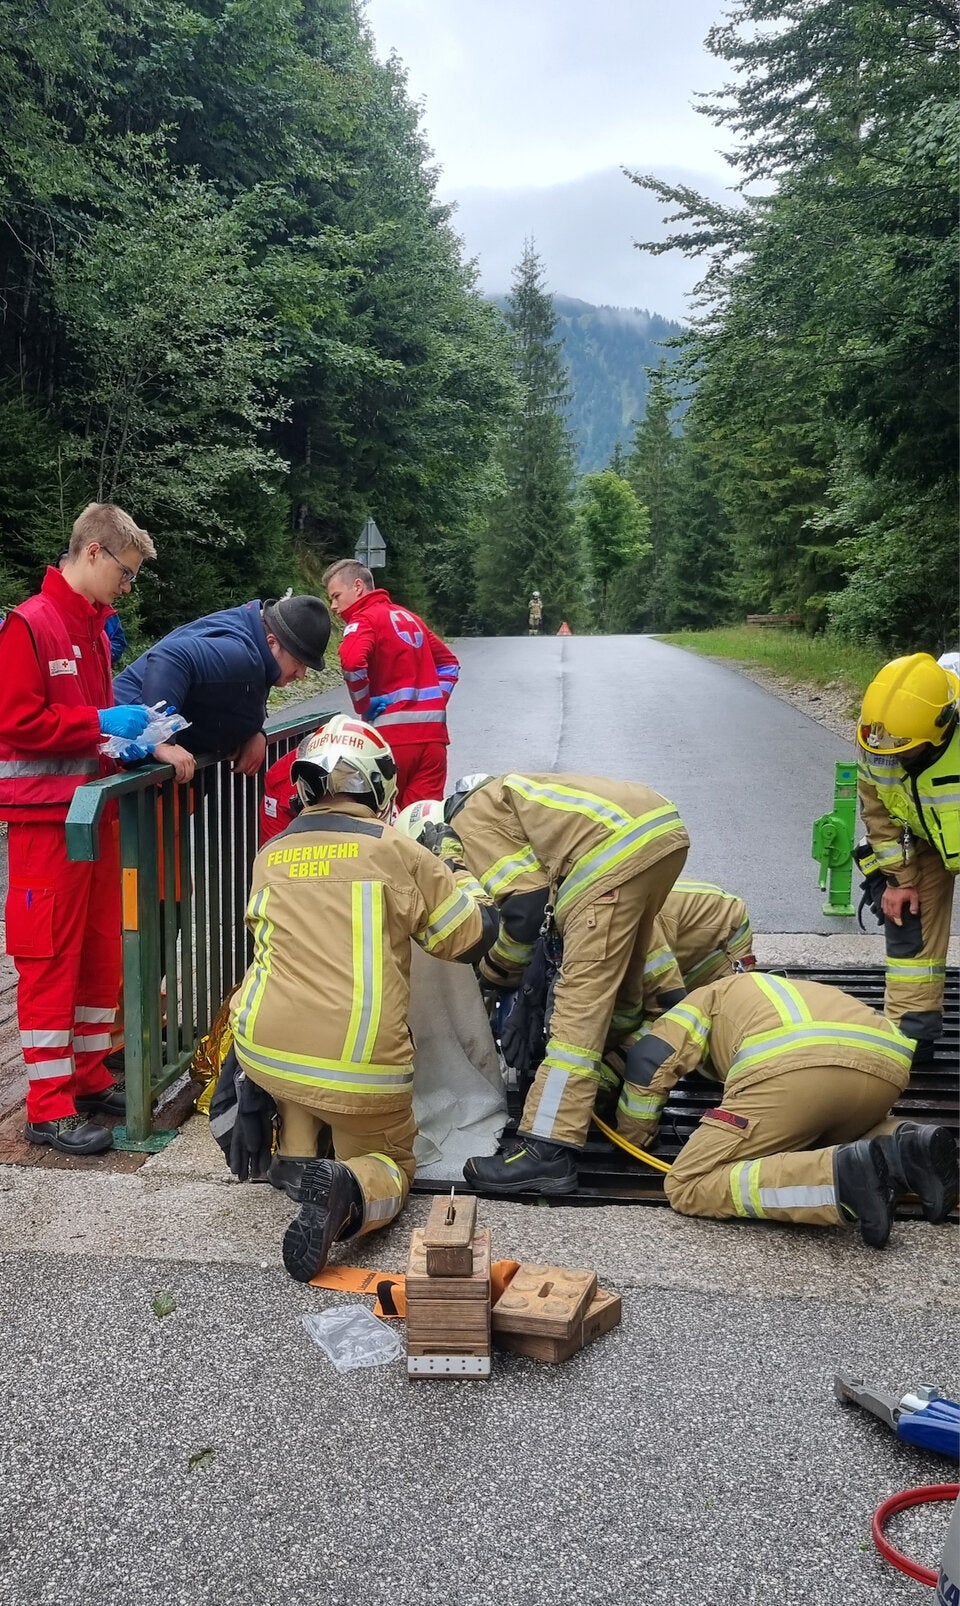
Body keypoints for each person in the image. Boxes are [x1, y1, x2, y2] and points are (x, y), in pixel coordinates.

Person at [229, 716, 498, 1282]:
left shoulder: (271, 853)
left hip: (264, 1047)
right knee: (391, 1160)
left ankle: (298, 1160)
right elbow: (467, 938)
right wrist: (458, 872)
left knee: (302, 1069)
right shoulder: (397, 850)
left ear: (305, 785)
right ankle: (351, 1191)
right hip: (359, 1065)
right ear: (380, 788)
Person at [413, 771, 690, 1195]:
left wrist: (494, 973)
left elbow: (525, 907)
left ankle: (548, 1149)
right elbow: (540, 896)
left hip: (609, 858)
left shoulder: (470, 816)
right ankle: (619, 1073)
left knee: (577, 1017)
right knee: (619, 995)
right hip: (661, 834)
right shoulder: (519, 797)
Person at [0, 503, 157, 1155]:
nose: (128, 585)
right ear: (92, 552)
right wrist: (99, 725)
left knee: (99, 954)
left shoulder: (92, 627)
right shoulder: (30, 626)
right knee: (47, 960)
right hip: (45, 824)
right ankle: (48, 1106)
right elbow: (14, 722)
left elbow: (91, 718)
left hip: (93, 814)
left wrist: (130, 734)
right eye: (125, 571)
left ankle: (89, 1078)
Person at [615, 971, 958, 1246]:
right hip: (887, 1066)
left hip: (796, 1068)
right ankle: (911, 1146)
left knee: (689, 1184)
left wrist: (635, 1135)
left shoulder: (701, 1001)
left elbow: (649, 1061)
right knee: (815, 1138)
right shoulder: (768, 988)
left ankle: (839, 1181)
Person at [856, 652, 958, 1057]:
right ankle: (912, 1033)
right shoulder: (879, 733)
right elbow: (877, 809)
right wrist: (899, 879)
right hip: (923, 838)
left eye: (906, 750)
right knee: (906, 921)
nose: (891, 755)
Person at [114, 592, 330, 783]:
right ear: (272, 642)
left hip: (150, 767)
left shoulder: (256, 645)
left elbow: (236, 692)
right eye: (299, 662)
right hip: (125, 757)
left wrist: (255, 731)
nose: (302, 674)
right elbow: (170, 658)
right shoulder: (239, 654)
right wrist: (161, 742)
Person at [322, 559, 459, 808]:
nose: (333, 606)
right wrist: (434, 701)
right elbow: (449, 664)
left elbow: (352, 663)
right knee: (423, 823)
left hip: (390, 743)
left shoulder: (363, 620)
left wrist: (364, 705)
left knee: (386, 825)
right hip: (433, 741)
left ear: (358, 586)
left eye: (336, 596)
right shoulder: (411, 618)